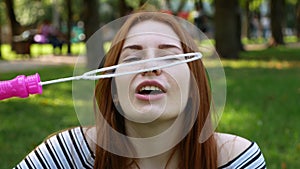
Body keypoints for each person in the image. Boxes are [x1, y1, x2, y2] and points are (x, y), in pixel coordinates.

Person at [14, 11, 266, 169]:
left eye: (169, 57)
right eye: (132, 59)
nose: (151, 66)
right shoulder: (67, 156)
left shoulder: (235, 160)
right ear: (113, 90)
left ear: (193, 86)